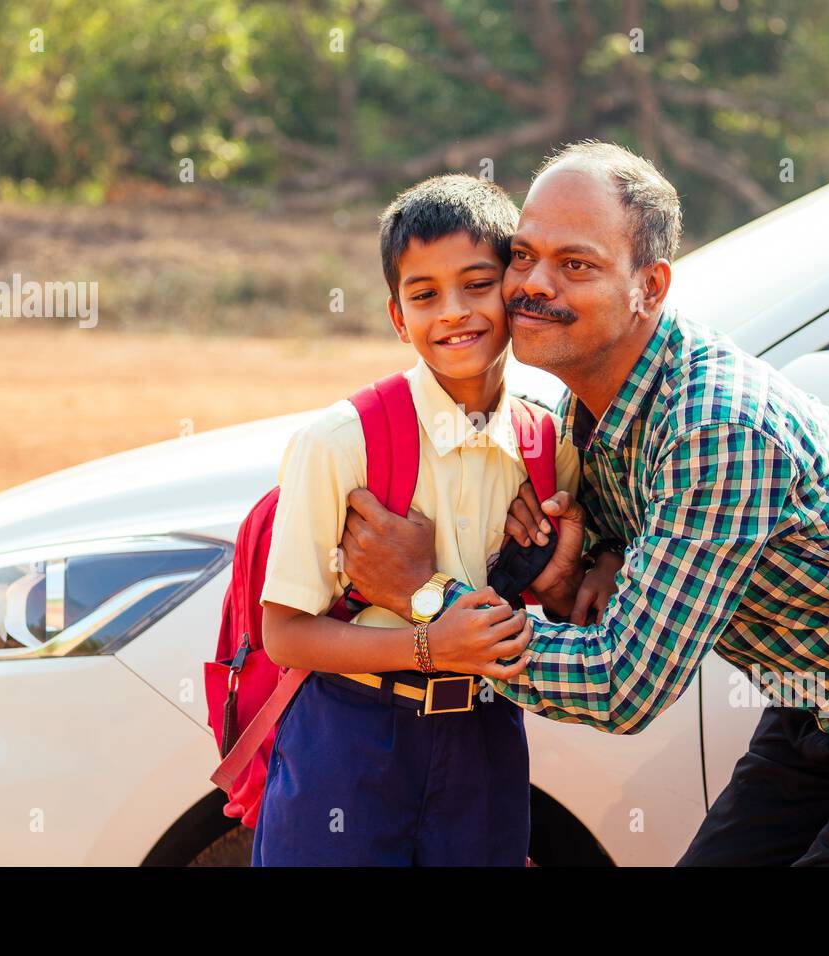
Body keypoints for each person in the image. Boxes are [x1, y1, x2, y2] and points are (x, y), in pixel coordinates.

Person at [337, 141, 829, 865]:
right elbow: (621, 598)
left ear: (650, 287)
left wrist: (429, 597)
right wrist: (573, 581)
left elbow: (620, 684)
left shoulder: (716, 428)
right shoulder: (587, 407)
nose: (534, 285)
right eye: (525, 256)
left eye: (576, 264)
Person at [251, 173, 579, 866]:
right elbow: (284, 633)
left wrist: (557, 578)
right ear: (398, 317)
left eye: (477, 283)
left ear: (516, 291)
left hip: (486, 737)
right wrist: (432, 648)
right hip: (350, 735)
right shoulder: (341, 444)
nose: (453, 312)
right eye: (424, 295)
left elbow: (564, 601)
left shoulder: (550, 445)